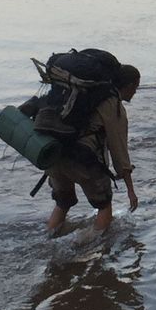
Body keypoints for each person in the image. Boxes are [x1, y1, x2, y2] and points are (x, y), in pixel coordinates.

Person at [45, 64, 141, 236]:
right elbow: (119, 150)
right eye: (136, 87)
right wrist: (131, 191)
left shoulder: (80, 93)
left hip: (55, 155)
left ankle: (49, 241)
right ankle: (87, 247)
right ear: (128, 86)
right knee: (104, 206)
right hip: (83, 159)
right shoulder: (113, 104)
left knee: (63, 202)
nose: (135, 92)